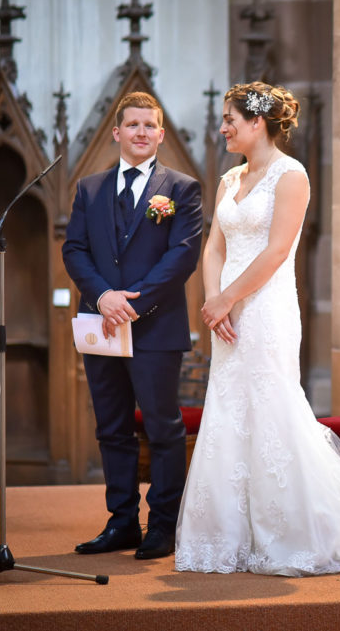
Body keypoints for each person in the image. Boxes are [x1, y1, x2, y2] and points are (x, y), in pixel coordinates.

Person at [174, 81, 340, 576]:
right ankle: (228, 537)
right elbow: (213, 247)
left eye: (230, 120)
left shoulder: (291, 175)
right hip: (228, 313)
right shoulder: (228, 180)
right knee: (228, 410)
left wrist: (229, 299)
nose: (223, 128)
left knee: (271, 408)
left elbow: (278, 251)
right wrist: (212, 301)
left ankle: (294, 532)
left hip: (264, 309)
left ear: (257, 122)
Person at [62, 91, 203, 560]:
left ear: (160, 135)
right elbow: (74, 250)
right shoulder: (89, 188)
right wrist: (103, 296)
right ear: (117, 132)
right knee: (111, 429)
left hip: (155, 328)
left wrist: (132, 303)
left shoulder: (181, 188)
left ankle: (162, 525)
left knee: (163, 428)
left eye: (150, 126)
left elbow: (182, 256)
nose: (142, 132)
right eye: (133, 125)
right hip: (102, 324)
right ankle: (122, 521)